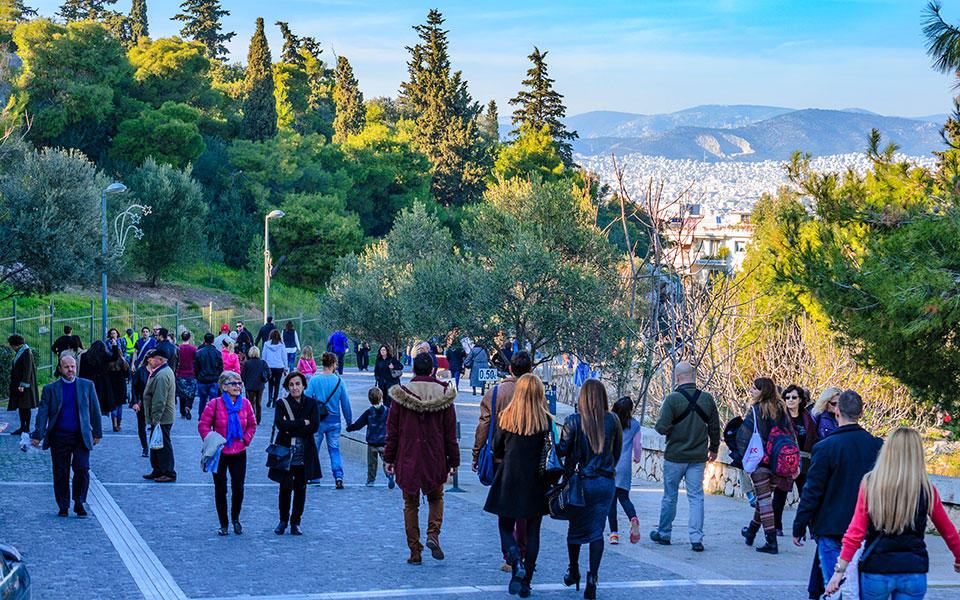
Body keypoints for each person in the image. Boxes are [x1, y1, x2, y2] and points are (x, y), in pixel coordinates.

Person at [825, 427, 960, 598]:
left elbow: (855, 533)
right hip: (913, 570)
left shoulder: (870, 484)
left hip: (877, 570)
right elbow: (948, 531)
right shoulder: (926, 489)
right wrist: (958, 557)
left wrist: (839, 572)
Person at [793, 389, 884, 588]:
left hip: (832, 526)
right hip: (867, 528)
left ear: (836, 412)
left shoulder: (826, 447)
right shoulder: (877, 446)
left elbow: (812, 491)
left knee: (836, 587)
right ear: (861, 413)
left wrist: (799, 524)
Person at [385, 353, 459, 564]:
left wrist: (389, 458)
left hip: (408, 456)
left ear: (414, 370)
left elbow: (392, 431)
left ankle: (415, 551)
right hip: (435, 457)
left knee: (410, 505)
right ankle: (433, 534)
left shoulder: (402, 394)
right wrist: (454, 461)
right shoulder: (444, 394)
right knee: (436, 497)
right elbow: (450, 434)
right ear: (433, 370)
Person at [483, 373, 552, 597]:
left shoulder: (506, 417)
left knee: (505, 526)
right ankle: (526, 581)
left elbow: (498, 448)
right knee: (533, 532)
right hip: (536, 481)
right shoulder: (545, 421)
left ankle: (515, 561)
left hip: (510, 478)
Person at [556, 379, 622, 600]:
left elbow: (562, 451)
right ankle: (592, 577)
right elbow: (617, 452)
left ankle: (573, 569)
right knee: (597, 530)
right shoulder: (613, 420)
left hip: (581, 483)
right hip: (605, 483)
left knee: (575, 529)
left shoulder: (573, 421)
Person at [472, 351, 534, 571]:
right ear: (531, 371)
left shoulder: (495, 393)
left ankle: (510, 557)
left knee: (504, 508)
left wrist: (476, 453)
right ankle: (524, 553)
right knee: (524, 511)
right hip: (528, 461)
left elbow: (484, 425)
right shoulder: (534, 394)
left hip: (501, 458)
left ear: (510, 369)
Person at [651, 361, 720, 552]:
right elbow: (715, 427)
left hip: (675, 456)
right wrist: (713, 448)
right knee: (696, 497)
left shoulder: (672, 400)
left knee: (670, 496)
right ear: (694, 376)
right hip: (698, 457)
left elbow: (662, 428)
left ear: (676, 377)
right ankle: (696, 538)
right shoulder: (707, 399)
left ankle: (664, 534)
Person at [30, 355, 102, 516]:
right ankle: (63, 504)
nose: (70, 370)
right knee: (60, 471)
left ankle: (79, 501)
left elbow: (95, 411)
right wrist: (37, 435)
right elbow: (43, 413)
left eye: (73, 367)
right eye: (67, 367)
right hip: (59, 437)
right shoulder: (50, 389)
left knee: (82, 469)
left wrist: (97, 432)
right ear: (60, 369)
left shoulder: (87, 385)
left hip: (81, 437)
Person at [737, 377, 795, 555]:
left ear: (763, 391)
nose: (752, 391)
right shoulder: (781, 411)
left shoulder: (754, 411)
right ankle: (751, 532)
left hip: (760, 462)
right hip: (778, 463)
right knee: (765, 498)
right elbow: (791, 436)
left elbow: (743, 437)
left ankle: (771, 541)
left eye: (755, 388)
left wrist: (744, 459)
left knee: (763, 500)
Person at [198, 370, 257, 536]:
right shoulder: (214, 404)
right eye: (234, 383)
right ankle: (223, 523)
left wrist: (246, 440)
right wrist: (212, 440)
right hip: (220, 453)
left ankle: (236, 518)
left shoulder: (245, 404)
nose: (238, 386)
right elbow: (203, 424)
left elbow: (252, 424)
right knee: (220, 489)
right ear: (224, 386)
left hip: (239, 451)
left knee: (238, 488)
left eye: (239, 383)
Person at [270, 371, 321, 535]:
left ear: (304, 385)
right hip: (286, 453)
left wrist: (291, 427)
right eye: (291, 385)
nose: (295, 388)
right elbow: (280, 425)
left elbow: (314, 426)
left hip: (304, 453)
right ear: (287, 387)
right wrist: (301, 423)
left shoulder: (312, 404)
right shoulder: (281, 403)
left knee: (301, 488)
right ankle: (283, 520)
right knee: (285, 487)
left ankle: (295, 522)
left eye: (298, 384)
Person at [772, 384, 817, 536]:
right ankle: (776, 526)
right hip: (786, 461)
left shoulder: (807, 418)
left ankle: (810, 527)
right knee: (780, 495)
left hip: (804, 461)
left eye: (794, 397)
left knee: (806, 495)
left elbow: (813, 438)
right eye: (787, 397)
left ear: (800, 399)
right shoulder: (781, 417)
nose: (790, 400)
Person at [304, 352, 352, 488]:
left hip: (318, 421)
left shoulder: (314, 380)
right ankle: (338, 477)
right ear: (333, 364)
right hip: (335, 421)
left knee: (315, 449)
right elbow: (345, 404)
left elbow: (307, 399)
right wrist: (349, 422)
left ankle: (314, 477)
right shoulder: (339, 382)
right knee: (334, 449)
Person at [608, 396, 643, 545]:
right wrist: (637, 457)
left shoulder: (610, 423)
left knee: (611, 501)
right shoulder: (634, 425)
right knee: (624, 498)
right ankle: (633, 518)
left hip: (610, 464)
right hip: (624, 467)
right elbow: (637, 445)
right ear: (630, 410)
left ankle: (614, 534)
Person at [142, 348, 177, 483]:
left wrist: (156, 418)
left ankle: (168, 472)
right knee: (156, 443)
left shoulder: (162, 375)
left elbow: (159, 399)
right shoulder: (161, 372)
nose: (150, 361)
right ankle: (157, 470)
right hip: (160, 417)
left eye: (152, 359)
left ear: (161, 360)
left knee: (163, 444)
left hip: (162, 417)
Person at [346, 387, 393, 488]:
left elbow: (359, 424)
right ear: (381, 398)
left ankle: (371, 480)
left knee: (372, 463)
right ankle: (389, 474)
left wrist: (349, 428)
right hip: (384, 441)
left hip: (372, 442)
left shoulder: (369, 412)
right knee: (386, 461)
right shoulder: (388, 411)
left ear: (369, 399)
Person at [78, 339, 121, 417]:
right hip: (103, 382)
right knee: (101, 402)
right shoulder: (104, 355)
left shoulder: (84, 356)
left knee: (90, 402)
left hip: (89, 381)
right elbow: (115, 357)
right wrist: (115, 346)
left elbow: (82, 371)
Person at [7, 334, 38, 435]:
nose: (12, 348)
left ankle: (26, 427)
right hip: (21, 385)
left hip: (25, 386)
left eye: (12, 345)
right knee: (21, 406)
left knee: (26, 406)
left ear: (16, 344)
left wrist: (23, 384)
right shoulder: (21, 352)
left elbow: (27, 370)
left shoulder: (26, 353)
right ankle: (22, 426)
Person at [105, 328, 129, 432]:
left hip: (112, 381)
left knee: (114, 403)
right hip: (120, 381)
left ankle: (114, 423)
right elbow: (127, 373)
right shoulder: (123, 362)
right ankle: (118, 423)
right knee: (119, 404)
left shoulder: (109, 361)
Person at [194, 333, 223, 417]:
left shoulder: (199, 353)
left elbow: (196, 367)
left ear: (204, 341)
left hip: (202, 379)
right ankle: (213, 416)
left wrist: (198, 377)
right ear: (213, 341)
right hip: (214, 379)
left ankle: (202, 416)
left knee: (202, 399)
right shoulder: (217, 353)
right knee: (213, 400)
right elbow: (221, 367)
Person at [240, 346, 268, 425]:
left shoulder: (247, 363)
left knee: (250, 402)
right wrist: (264, 381)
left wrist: (245, 382)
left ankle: (250, 418)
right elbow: (268, 373)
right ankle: (258, 419)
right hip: (260, 385)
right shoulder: (263, 363)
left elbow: (243, 375)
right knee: (258, 403)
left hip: (250, 386)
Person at [175, 331, 198, 420]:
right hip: (191, 374)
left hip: (180, 373)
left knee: (182, 394)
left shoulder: (178, 349)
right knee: (190, 393)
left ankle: (182, 412)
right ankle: (188, 407)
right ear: (190, 338)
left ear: (181, 338)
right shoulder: (193, 349)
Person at [263, 330, 286, 408]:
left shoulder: (266, 344)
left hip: (270, 366)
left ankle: (269, 398)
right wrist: (285, 367)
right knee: (277, 384)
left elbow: (264, 355)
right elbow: (284, 357)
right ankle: (275, 401)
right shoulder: (282, 345)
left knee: (270, 383)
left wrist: (264, 365)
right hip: (279, 366)